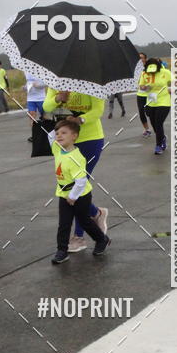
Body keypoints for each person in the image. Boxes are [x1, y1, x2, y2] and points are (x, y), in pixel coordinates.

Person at [43, 87, 108, 252]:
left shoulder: (93, 84)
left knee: (80, 185)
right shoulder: (56, 82)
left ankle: (79, 237)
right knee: (70, 183)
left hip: (90, 140)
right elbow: (46, 107)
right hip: (65, 140)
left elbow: (98, 110)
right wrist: (58, 98)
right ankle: (97, 213)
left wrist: (80, 120)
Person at [48, 118, 110, 264]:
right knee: (64, 224)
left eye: (64, 133)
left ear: (74, 136)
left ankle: (102, 239)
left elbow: (81, 181)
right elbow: (49, 136)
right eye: (58, 133)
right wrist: (54, 119)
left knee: (84, 221)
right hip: (64, 194)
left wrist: (73, 196)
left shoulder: (77, 157)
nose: (59, 136)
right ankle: (62, 251)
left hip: (80, 195)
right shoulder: (57, 148)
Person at [139, 58, 172, 154]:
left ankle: (158, 145)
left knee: (158, 123)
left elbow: (173, 82)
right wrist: (145, 87)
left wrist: (171, 89)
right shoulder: (144, 73)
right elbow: (141, 86)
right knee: (153, 123)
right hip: (151, 100)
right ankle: (162, 138)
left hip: (164, 101)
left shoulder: (165, 72)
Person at [25, 74, 46, 141]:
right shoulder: (26, 71)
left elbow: (46, 83)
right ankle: (34, 135)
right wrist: (25, 87)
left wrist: (38, 86)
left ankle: (46, 133)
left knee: (45, 116)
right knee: (31, 115)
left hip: (41, 98)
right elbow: (28, 83)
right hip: (30, 98)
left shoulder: (41, 70)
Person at [136, 53, 152, 137]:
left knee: (151, 113)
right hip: (140, 95)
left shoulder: (151, 68)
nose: (140, 59)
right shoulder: (136, 69)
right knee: (141, 113)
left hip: (151, 94)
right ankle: (147, 129)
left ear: (146, 59)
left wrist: (147, 87)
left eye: (141, 58)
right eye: (139, 58)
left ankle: (157, 128)